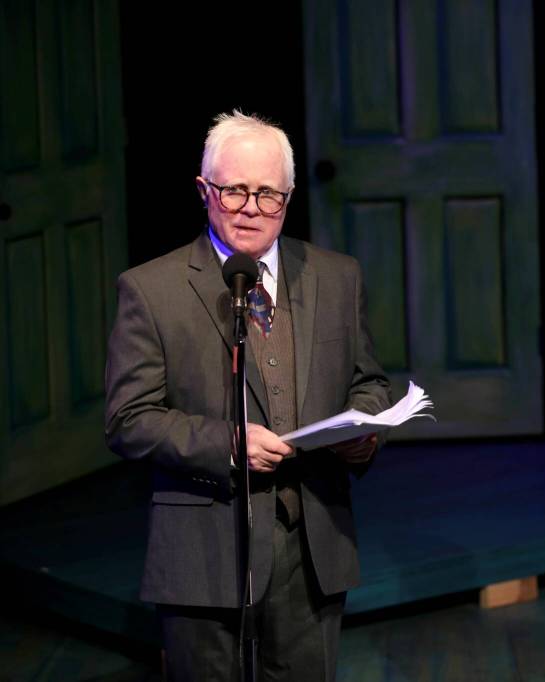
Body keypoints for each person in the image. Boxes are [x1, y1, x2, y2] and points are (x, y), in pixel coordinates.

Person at [105, 110, 391, 681]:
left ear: (288, 196)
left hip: (312, 547)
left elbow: (369, 382)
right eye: (235, 191)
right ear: (204, 190)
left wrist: (366, 433)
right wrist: (228, 444)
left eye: (268, 195)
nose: (251, 209)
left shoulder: (336, 277)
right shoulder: (152, 289)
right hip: (205, 551)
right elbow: (128, 419)